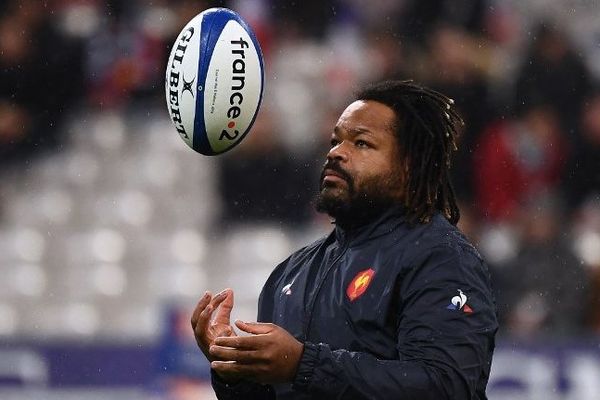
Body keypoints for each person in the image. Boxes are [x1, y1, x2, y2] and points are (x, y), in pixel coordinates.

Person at [191, 80, 498, 399]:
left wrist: (303, 364)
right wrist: (235, 374)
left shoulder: (441, 257)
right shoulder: (290, 273)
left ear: (409, 165)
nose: (336, 153)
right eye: (335, 141)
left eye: (361, 143)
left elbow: (446, 387)